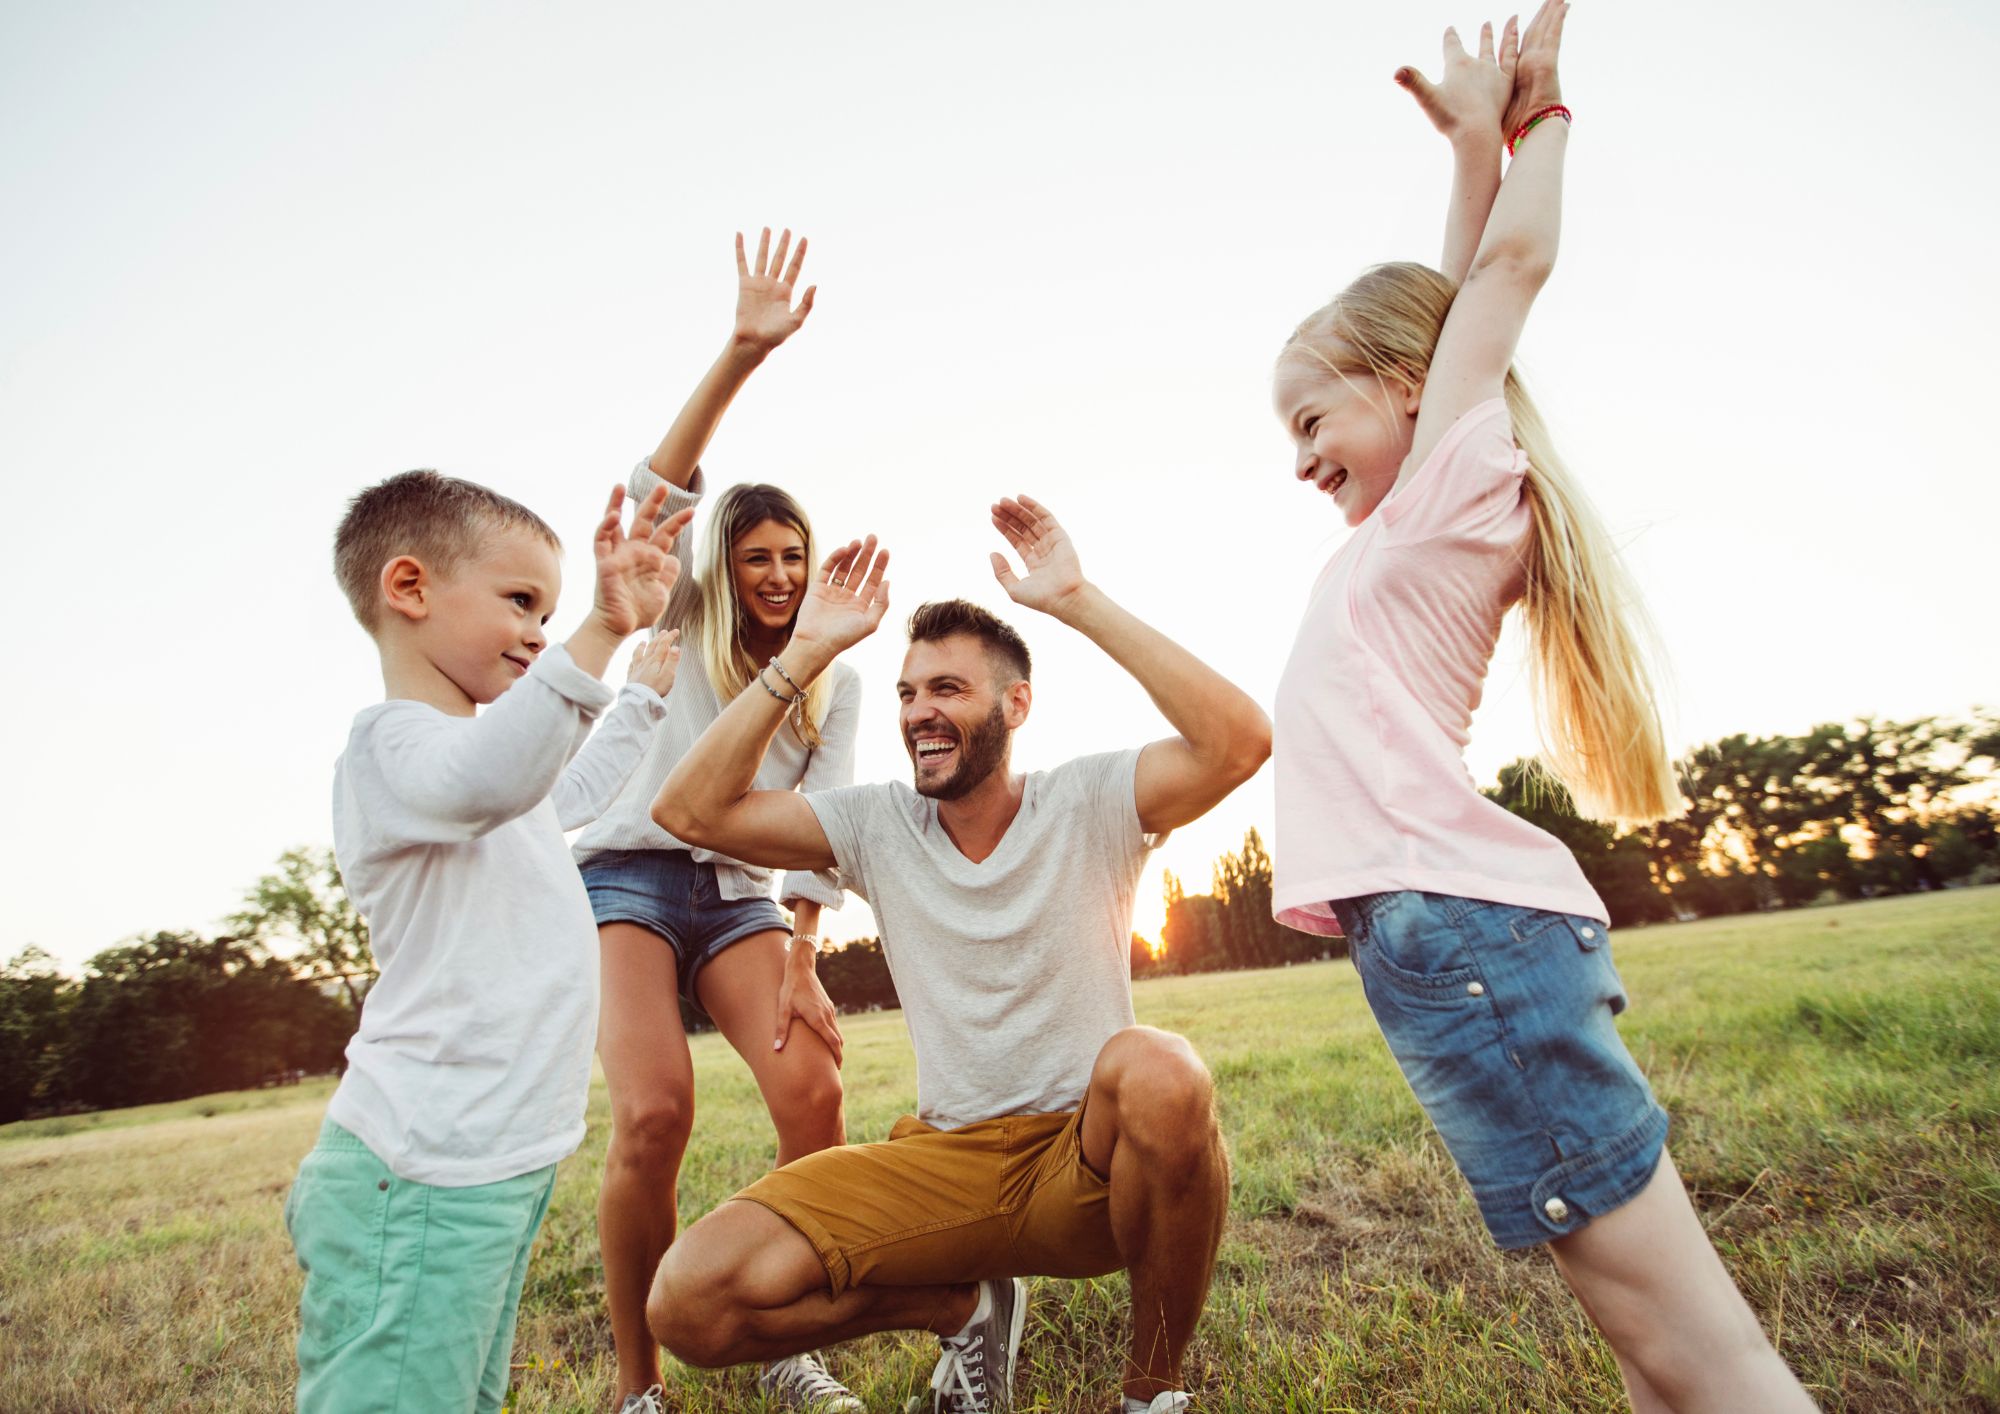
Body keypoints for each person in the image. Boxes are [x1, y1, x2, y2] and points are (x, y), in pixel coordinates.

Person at [1268, 7, 1817, 1409]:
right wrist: (1467, 150)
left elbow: (1502, 273)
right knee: (1655, 1352)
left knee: (1712, 1361)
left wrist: (1541, 122)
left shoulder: (1453, 488)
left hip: (1466, 940)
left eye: (1308, 422)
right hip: (1456, 944)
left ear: (1402, 396)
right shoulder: (1417, 512)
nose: (1300, 461)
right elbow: (1449, 310)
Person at [641, 501, 1270, 1414]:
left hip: (1083, 1168)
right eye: (906, 692)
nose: (919, 713)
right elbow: (688, 811)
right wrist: (805, 653)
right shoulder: (875, 822)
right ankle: (962, 1305)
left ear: (1016, 704)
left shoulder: (1092, 798)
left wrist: (1078, 600)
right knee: (689, 1302)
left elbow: (1240, 741)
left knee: (1162, 1069)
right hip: (944, 1162)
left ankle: (1153, 1395)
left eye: (948, 689)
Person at [287, 470, 690, 1413]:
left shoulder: (480, 763)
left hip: (495, 1159)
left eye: (547, 612)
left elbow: (561, 793)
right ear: (410, 588)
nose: (540, 631)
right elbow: (492, 777)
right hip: (423, 1163)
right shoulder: (396, 751)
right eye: (520, 602)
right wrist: (601, 629)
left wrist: (639, 701)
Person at [570, 228, 864, 1414]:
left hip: (741, 900)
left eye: (794, 554)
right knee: (653, 1113)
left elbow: (825, 819)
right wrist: (741, 350)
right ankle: (641, 1388)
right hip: (625, 883)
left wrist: (804, 954)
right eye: (758, 556)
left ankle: (779, 1334)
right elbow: (653, 498)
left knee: (815, 1099)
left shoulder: (828, 662)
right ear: (724, 566)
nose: (780, 574)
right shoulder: (684, 609)